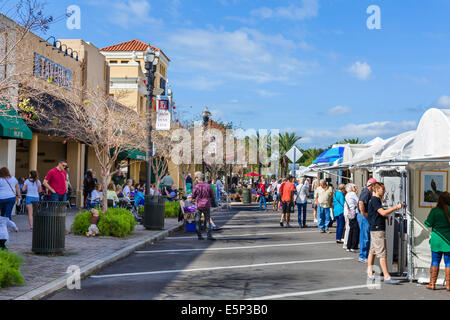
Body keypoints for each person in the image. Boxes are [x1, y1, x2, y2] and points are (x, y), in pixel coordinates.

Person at [366, 182, 403, 285]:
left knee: (372, 251)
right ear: (377, 190)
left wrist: (383, 216)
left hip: (375, 228)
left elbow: (378, 213)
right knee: (382, 253)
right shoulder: (375, 200)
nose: (384, 191)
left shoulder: (375, 200)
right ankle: (387, 276)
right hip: (378, 229)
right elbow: (382, 212)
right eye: (383, 189)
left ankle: (370, 273)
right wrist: (396, 207)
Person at [424, 192, 450, 291]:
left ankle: (432, 284)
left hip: (436, 240)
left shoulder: (434, 211)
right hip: (448, 240)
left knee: (435, 261)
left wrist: (426, 222)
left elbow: (428, 224)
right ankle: (448, 285)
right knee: (449, 262)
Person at [191, 172, 215, 241]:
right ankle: (209, 235)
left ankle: (199, 235)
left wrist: (193, 199)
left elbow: (193, 196)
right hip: (206, 205)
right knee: (207, 220)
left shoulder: (196, 186)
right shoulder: (208, 186)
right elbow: (212, 196)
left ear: (198, 179)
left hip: (198, 205)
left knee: (198, 220)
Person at [358, 178, 376, 263]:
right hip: (364, 217)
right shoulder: (366, 192)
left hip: (364, 216)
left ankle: (364, 254)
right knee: (365, 236)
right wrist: (363, 213)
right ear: (371, 185)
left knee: (365, 236)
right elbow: (361, 202)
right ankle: (362, 255)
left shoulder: (367, 192)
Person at [343, 184, 359, 250]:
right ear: (351, 188)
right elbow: (359, 201)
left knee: (349, 228)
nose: (356, 188)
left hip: (349, 212)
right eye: (355, 187)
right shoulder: (353, 194)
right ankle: (353, 246)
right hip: (353, 212)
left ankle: (347, 244)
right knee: (355, 229)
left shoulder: (347, 194)